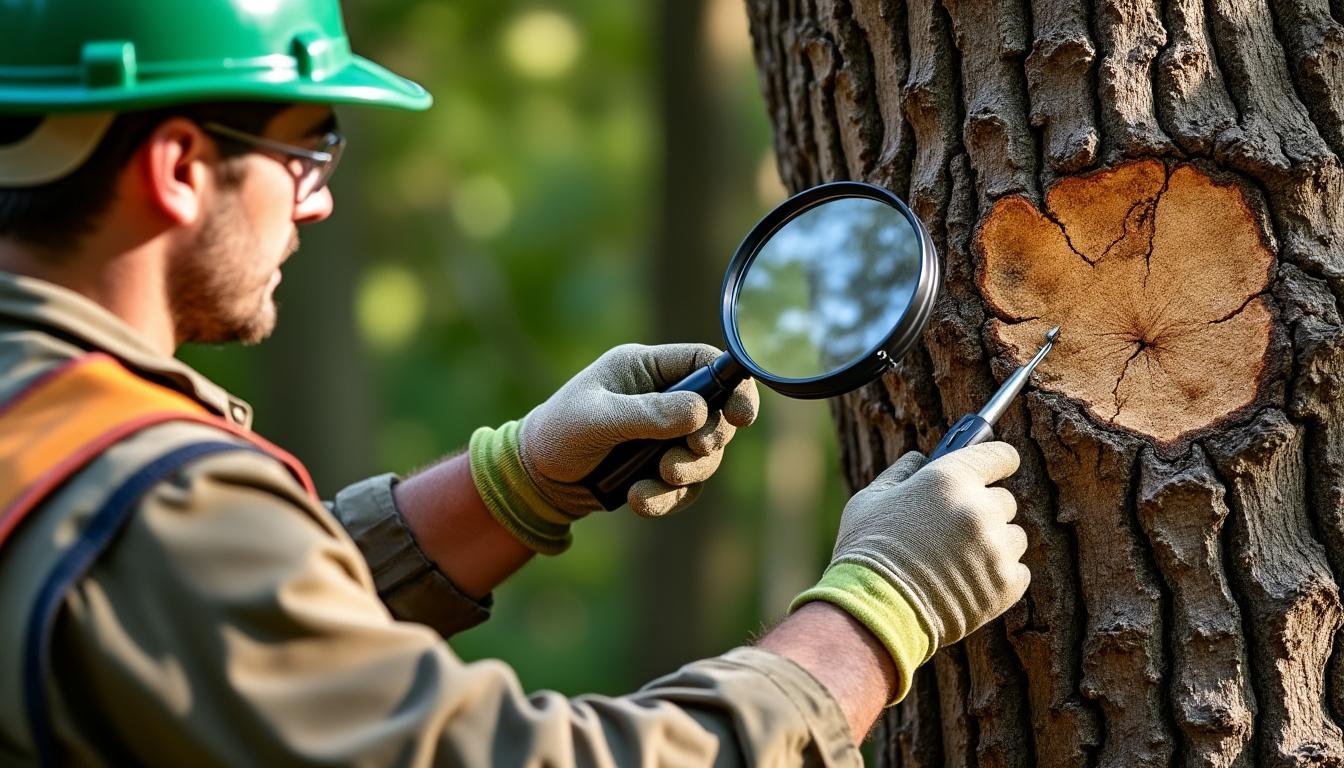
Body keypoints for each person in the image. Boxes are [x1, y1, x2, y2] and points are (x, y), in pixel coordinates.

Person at [0, 1, 1030, 765]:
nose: (315, 203)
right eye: (309, 148)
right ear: (178, 165)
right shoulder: (152, 509)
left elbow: (209, 644)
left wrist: (515, 484)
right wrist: (873, 617)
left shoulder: (48, 439)